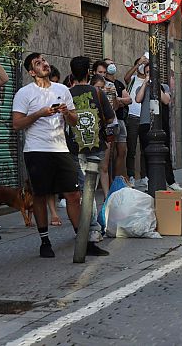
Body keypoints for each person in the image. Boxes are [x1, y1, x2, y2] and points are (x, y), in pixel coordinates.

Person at [13, 52, 99, 258]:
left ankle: (82, 241)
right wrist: (39, 114)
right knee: (40, 196)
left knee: (73, 195)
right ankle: (45, 241)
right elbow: (17, 124)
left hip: (61, 149)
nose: (44, 64)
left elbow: (74, 120)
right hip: (36, 151)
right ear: (31, 72)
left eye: (44, 60)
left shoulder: (62, 90)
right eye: (38, 63)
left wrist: (66, 113)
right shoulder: (24, 93)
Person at [63, 58, 113, 256]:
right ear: (88, 74)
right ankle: (92, 229)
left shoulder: (65, 94)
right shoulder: (97, 92)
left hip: (74, 146)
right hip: (95, 145)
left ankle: (91, 228)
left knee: (84, 188)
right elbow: (109, 117)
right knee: (91, 187)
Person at [135, 63, 182, 191]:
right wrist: (146, 84)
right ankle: (149, 180)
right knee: (147, 153)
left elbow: (166, 100)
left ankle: (170, 181)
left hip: (160, 124)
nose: (149, 74)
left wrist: (156, 85)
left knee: (165, 153)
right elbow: (138, 99)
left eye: (151, 72)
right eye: (147, 72)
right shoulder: (141, 87)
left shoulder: (164, 87)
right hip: (145, 123)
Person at [93, 59, 131, 190]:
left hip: (110, 126)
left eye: (104, 72)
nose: (103, 74)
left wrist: (114, 96)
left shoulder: (112, 85)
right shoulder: (89, 88)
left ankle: (110, 189)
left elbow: (115, 107)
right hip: (94, 127)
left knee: (108, 161)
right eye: (100, 72)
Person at [124, 55, 148, 186]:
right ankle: (131, 175)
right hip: (132, 117)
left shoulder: (149, 80)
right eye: (141, 65)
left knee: (145, 149)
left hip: (144, 118)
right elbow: (126, 78)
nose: (142, 67)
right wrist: (137, 63)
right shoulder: (133, 79)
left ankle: (145, 176)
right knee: (131, 149)